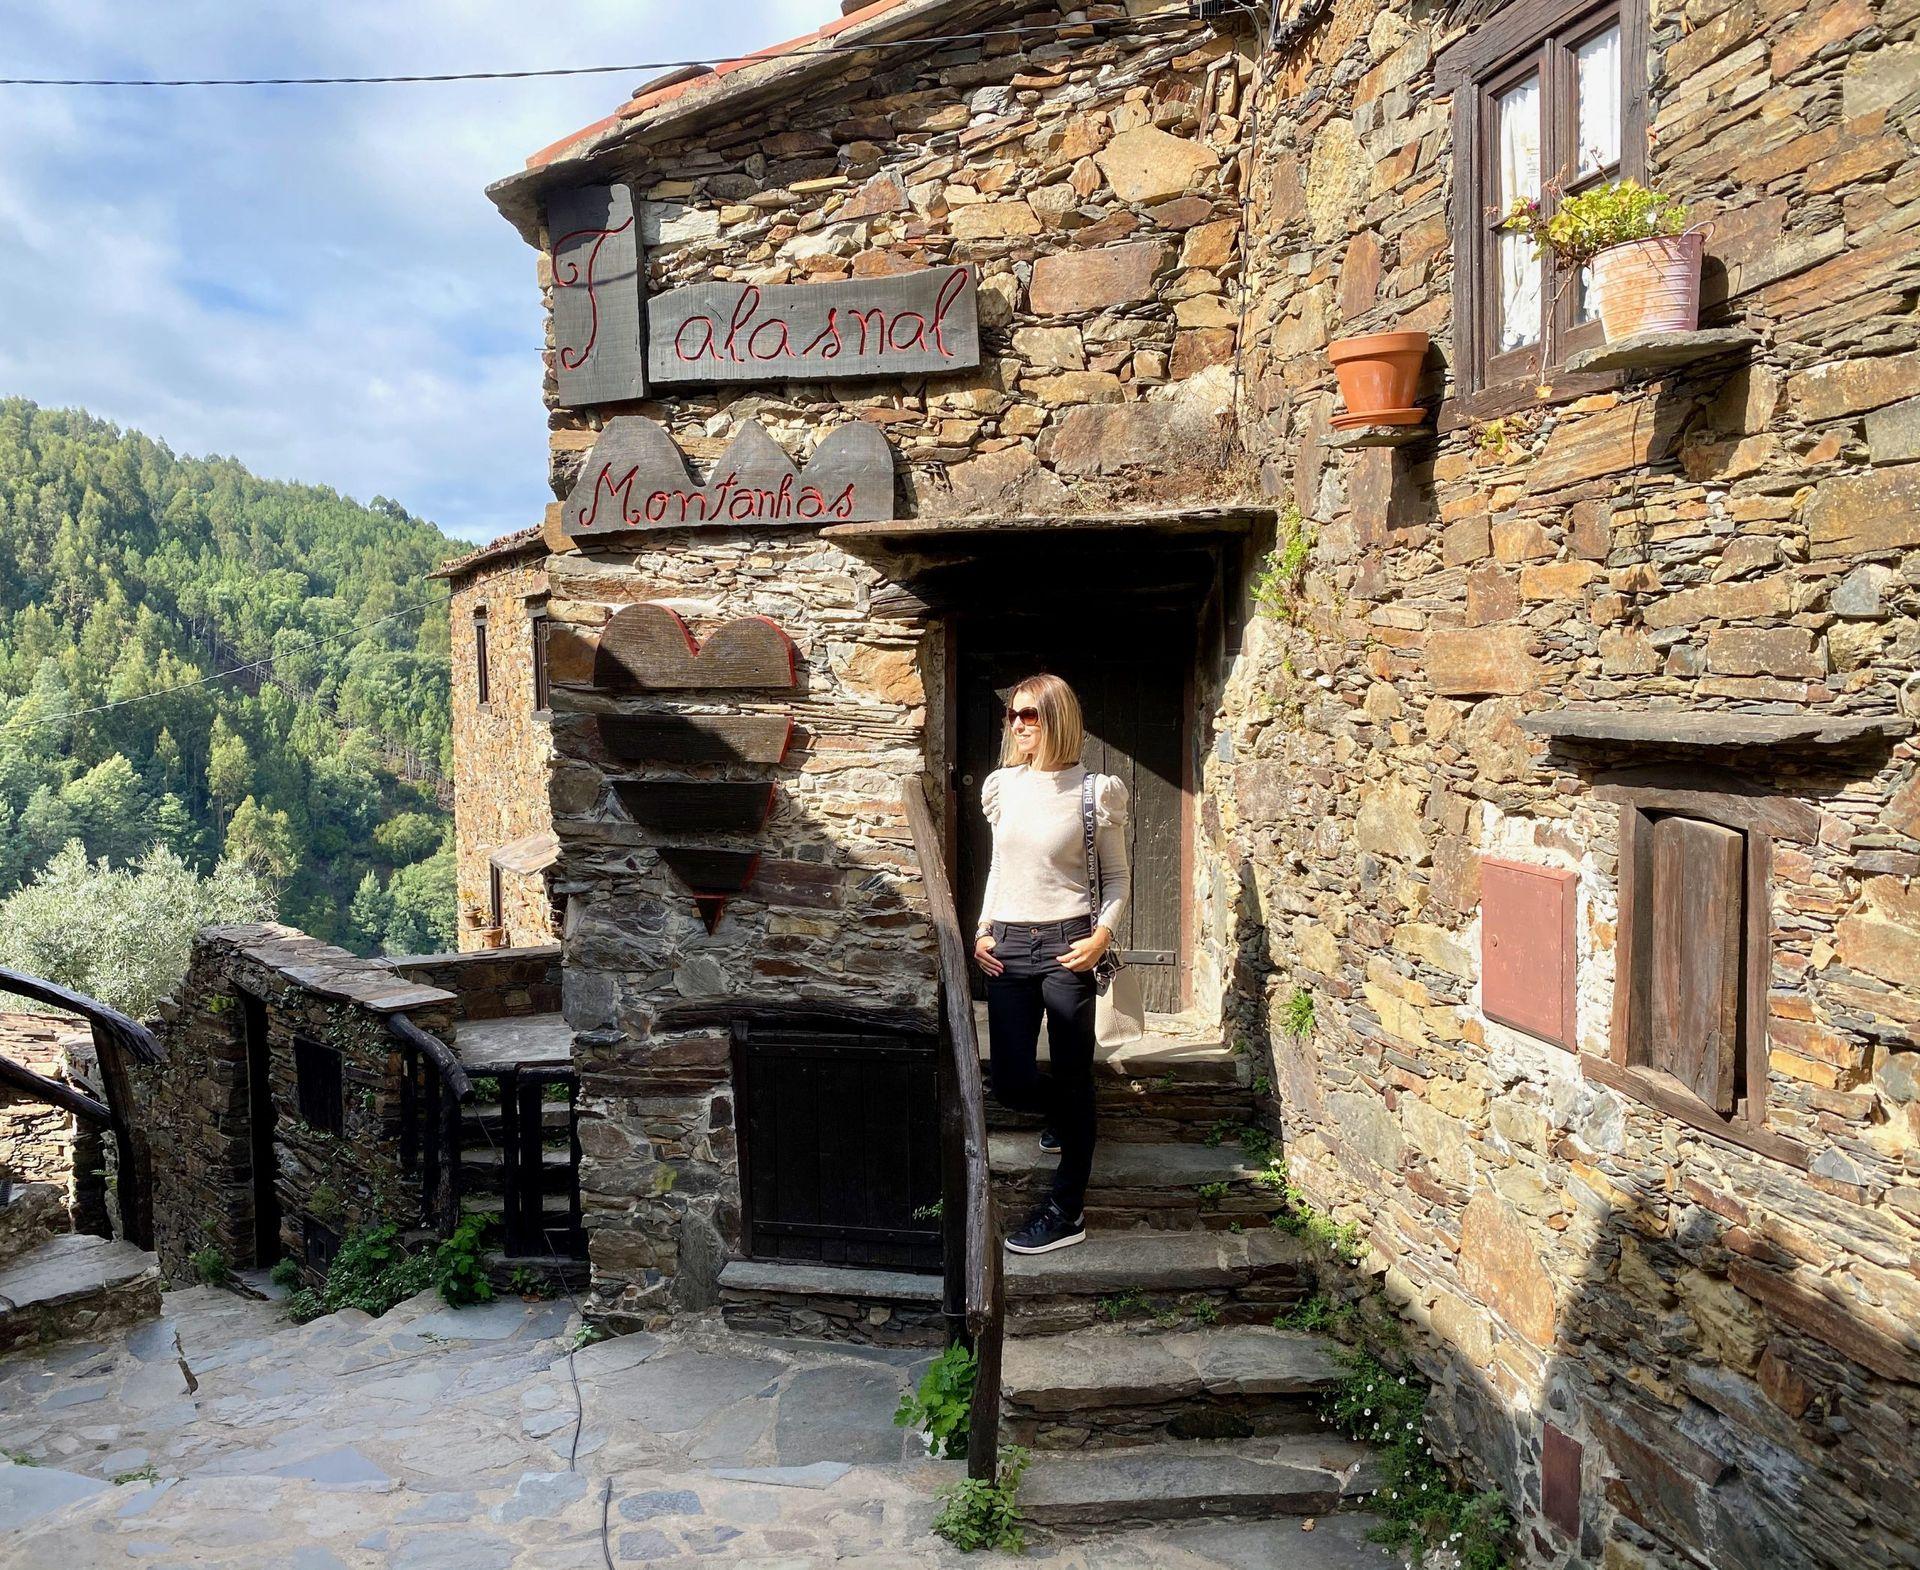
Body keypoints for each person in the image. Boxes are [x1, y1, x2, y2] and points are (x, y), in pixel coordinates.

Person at [972, 673, 1129, 1255]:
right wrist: (983, 927)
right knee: (1011, 1081)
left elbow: (1114, 876)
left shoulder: (1096, 791)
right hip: (1008, 947)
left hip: (1070, 947)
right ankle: (1071, 1116)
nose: (1016, 725)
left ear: (1057, 718)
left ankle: (1067, 1210)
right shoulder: (1001, 786)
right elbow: (1000, 867)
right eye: (1012, 715)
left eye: (1029, 715)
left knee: (1072, 1072)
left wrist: (1101, 935)